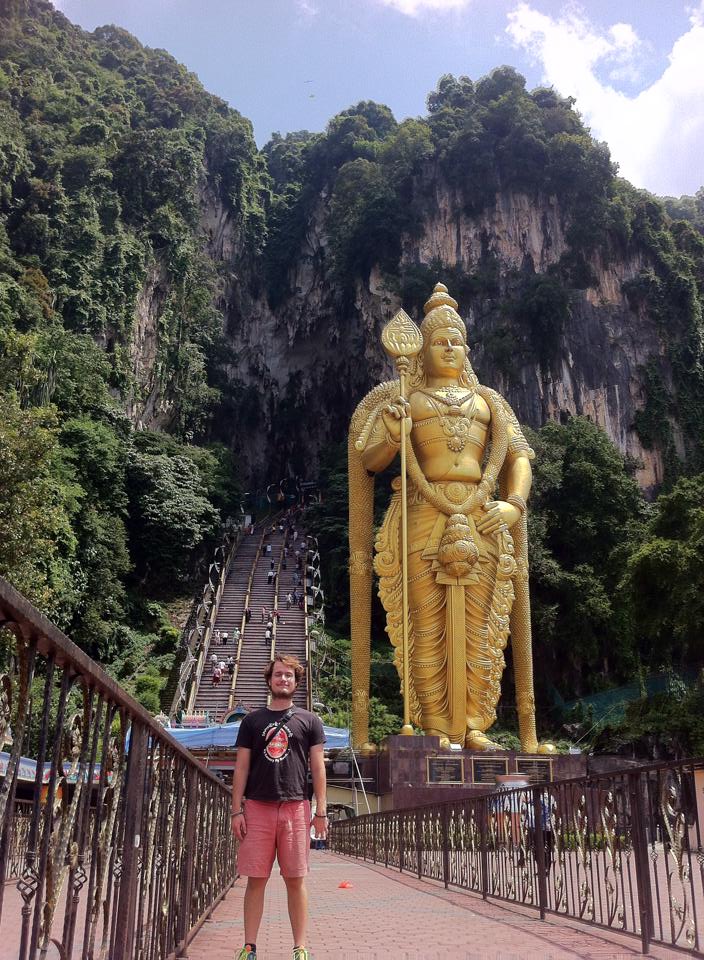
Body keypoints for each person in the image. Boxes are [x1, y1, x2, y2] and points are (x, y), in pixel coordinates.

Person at [349, 282, 550, 753]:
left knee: (482, 625)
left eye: (456, 340)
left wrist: (513, 504)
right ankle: (436, 729)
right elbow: (369, 460)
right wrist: (394, 431)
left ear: (467, 347)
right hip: (422, 513)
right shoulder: (406, 399)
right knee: (425, 623)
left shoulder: (490, 402)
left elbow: (519, 458)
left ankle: (476, 725)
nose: (449, 348)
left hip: (482, 515)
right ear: (422, 348)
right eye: (439, 341)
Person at [232, 654, 326, 960]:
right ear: (269, 681)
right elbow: (242, 768)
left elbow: (317, 767)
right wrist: (236, 810)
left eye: (288, 675)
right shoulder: (251, 721)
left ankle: (300, 947)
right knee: (255, 879)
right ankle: (249, 947)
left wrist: (320, 811)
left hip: (296, 807)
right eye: (278, 675)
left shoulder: (310, 721)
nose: (282, 679)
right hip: (257, 806)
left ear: (296, 682)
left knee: (295, 880)